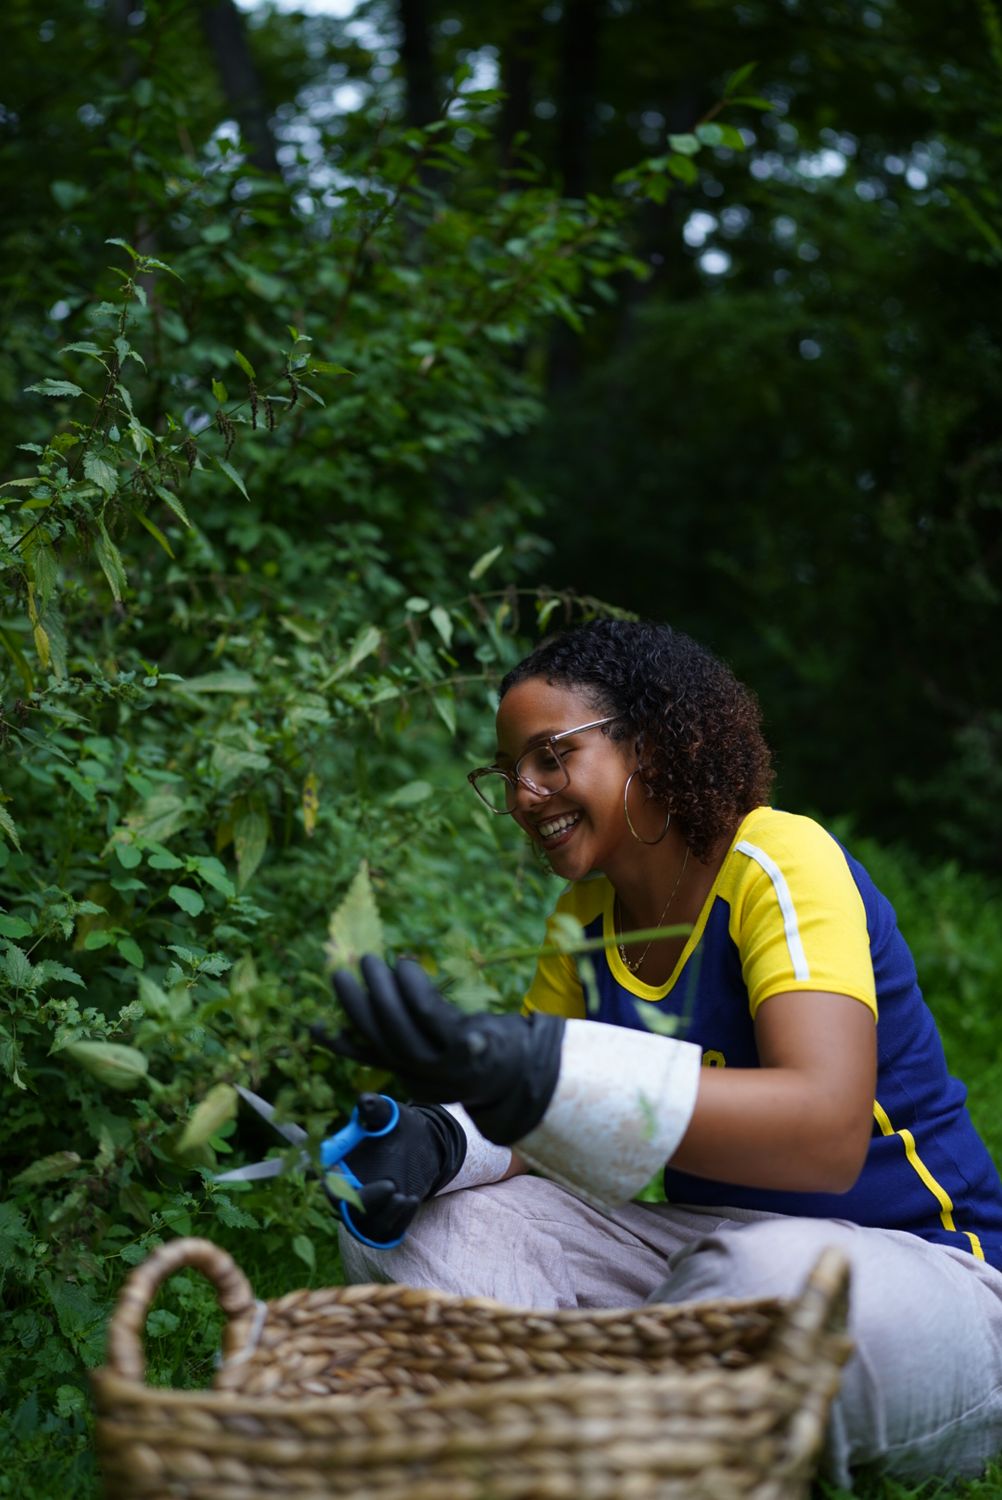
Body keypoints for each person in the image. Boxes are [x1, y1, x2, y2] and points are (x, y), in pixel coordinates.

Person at [322, 618, 1002, 1488]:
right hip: (711, 1264)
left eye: (550, 755)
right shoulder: (580, 925)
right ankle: (604, 1435)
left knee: (767, 1281)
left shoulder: (775, 860)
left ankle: (551, 1429)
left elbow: (826, 1133)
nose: (525, 793)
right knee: (426, 1224)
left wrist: (534, 1071)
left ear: (651, 741)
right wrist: (440, 1140)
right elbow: (539, 1135)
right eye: (508, 773)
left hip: (918, 1280)